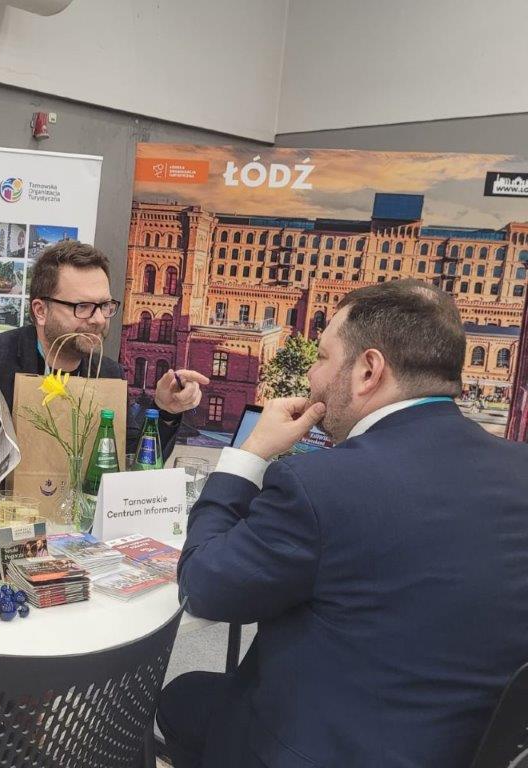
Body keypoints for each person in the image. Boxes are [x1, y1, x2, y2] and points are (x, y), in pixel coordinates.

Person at [158, 279, 528, 768]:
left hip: (314, 749)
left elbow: (203, 587)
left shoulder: (319, 484)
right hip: (463, 746)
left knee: (180, 696)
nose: (312, 376)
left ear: (368, 371)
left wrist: (250, 454)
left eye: (322, 357)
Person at [0, 240, 208, 474]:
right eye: (82, 306)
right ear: (40, 311)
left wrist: (165, 411)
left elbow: (128, 459)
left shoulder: (108, 373)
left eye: (104, 306)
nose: (98, 319)